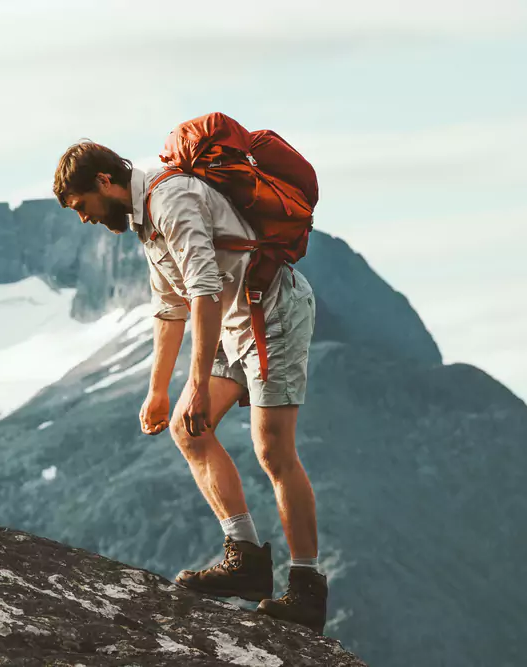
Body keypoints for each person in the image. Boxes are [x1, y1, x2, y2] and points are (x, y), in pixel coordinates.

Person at [52, 140, 328, 634]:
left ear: (103, 182)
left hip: (273, 317)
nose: (85, 219)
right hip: (233, 324)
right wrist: (159, 391)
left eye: (82, 207)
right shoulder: (144, 220)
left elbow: (202, 293)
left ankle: (307, 587)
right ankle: (244, 556)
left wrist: (198, 384)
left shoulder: (171, 198)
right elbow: (170, 308)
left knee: (273, 452)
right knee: (187, 430)